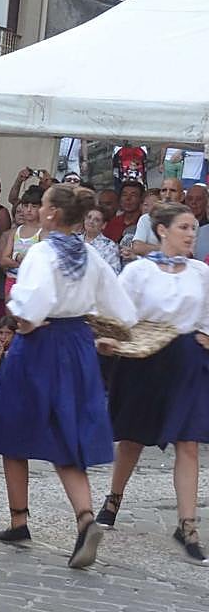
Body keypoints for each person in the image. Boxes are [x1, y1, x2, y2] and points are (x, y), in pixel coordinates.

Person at [0, 184, 137, 570]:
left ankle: (19, 520)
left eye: (42, 204)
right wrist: (111, 336)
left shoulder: (42, 252)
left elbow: (32, 303)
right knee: (65, 433)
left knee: (12, 428)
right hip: (78, 343)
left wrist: (24, 322)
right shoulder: (90, 254)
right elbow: (120, 305)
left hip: (41, 345)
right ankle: (84, 517)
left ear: (50, 215)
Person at [93, 202, 209, 565]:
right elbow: (117, 311)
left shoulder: (200, 272)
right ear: (162, 230)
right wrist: (112, 339)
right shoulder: (139, 272)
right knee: (133, 437)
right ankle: (113, 498)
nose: (192, 234)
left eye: (194, 228)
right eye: (185, 227)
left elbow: (207, 313)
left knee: (187, 441)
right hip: (145, 357)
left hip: (186, 358)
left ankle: (187, 524)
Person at [0, 186, 45, 303]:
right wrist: (18, 257)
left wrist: (14, 257)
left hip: (31, 283)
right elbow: (3, 260)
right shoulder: (15, 232)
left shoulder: (43, 233)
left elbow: (39, 264)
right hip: (12, 280)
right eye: (25, 206)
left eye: (34, 206)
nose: (28, 210)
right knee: (11, 318)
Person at [128, 176, 184, 257]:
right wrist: (171, 249)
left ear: (182, 196)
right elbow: (137, 247)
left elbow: (186, 253)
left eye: (173, 191)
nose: (167, 195)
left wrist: (149, 248)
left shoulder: (189, 221)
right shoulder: (146, 219)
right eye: (164, 190)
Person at [80, 206, 121, 273]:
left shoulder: (110, 246)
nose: (91, 221)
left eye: (96, 220)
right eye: (89, 217)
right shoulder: (74, 239)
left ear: (103, 225)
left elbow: (114, 273)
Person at [104, 180, 144, 245]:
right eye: (124, 195)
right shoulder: (113, 222)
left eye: (133, 195)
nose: (128, 198)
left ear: (141, 199)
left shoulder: (144, 222)